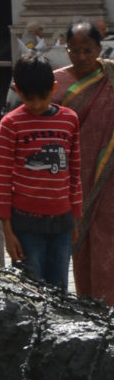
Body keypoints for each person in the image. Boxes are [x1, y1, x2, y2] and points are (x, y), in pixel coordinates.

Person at [0, 54, 83, 293]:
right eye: (28, 98)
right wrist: (7, 232)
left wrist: (74, 218)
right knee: (31, 294)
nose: (36, 105)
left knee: (59, 293)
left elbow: (74, 172)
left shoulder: (70, 120)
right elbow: (2, 179)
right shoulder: (10, 125)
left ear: (54, 89)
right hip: (25, 228)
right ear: (17, 90)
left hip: (62, 225)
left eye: (42, 97)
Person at [51, 20, 114, 305]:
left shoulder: (110, 75)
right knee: (83, 237)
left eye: (87, 50)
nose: (81, 56)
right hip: (74, 178)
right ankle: (90, 305)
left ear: (99, 49)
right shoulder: (56, 82)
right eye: (74, 50)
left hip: (110, 175)